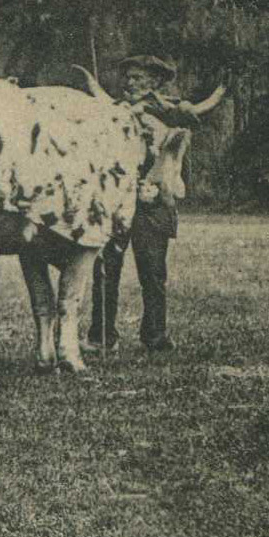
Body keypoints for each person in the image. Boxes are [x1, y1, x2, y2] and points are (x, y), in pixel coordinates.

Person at [89, 54, 200, 355]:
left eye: (138, 78)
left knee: (152, 271)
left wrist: (155, 186)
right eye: (128, 77)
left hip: (152, 203)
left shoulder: (172, 116)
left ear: (155, 82)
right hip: (116, 201)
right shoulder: (112, 113)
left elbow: (173, 163)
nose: (130, 83)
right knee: (105, 267)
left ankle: (155, 334)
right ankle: (101, 335)